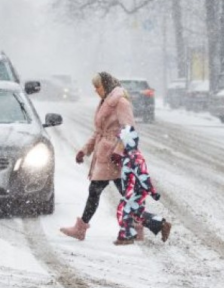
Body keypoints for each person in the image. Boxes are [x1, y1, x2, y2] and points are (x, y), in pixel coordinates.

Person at [59, 72, 135, 241]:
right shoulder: (106, 102)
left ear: (106, 85)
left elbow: (129, 129)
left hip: (113, 155)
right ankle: (156, 224)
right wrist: (85, 150)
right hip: (105, 154)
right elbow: (99, 132)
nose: (96, 91)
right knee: (122, 193)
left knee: (95, 191)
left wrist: (119, 152)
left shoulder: (120, 102)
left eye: (97, 87)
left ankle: (80, 229)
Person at [111, 124, 171, 245]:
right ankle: (161, 224)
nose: (119, 144)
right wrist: (120, 160)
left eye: (121, 141)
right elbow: (128, 168)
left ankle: (127, 236)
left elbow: (143, 176)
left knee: (123, 210)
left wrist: (152, 191)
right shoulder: (129, 155)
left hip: (136, 190)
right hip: (133, 190)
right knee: (135, 213)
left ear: (128, 141)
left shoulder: (134, 158)